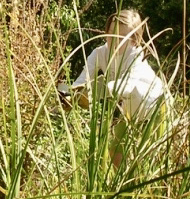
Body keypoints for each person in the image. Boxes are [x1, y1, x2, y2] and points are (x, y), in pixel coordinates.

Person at [61, 9, 170, 167]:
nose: (112, 38)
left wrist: (93, 93)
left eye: (120, 36)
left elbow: (126, 85)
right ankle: (122, 190)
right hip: (130, 110)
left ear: (134, 40)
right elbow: (82, 81)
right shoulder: (100, 53)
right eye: (111, 32)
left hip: (156, 109)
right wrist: (68, 94)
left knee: (149, 162)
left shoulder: (136, 55)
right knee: (115, 151)